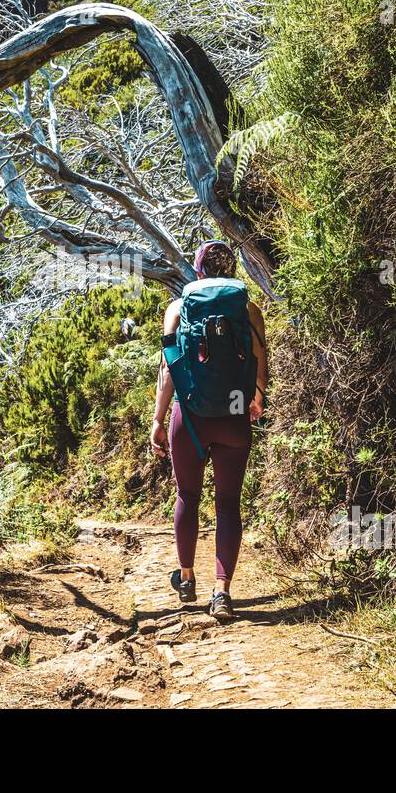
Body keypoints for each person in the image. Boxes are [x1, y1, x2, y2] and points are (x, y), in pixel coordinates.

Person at [150, 240, 267, 621]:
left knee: (188, 494)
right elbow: (260, 358)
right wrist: (256, 399)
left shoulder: (178, 307)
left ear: (198, 271)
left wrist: (158, 419)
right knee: (228, 502)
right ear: (232, 270)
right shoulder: (247, 308)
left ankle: (185, 577)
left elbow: (169, 368)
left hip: (190, 412)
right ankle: (222, 592)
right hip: (234, 408)